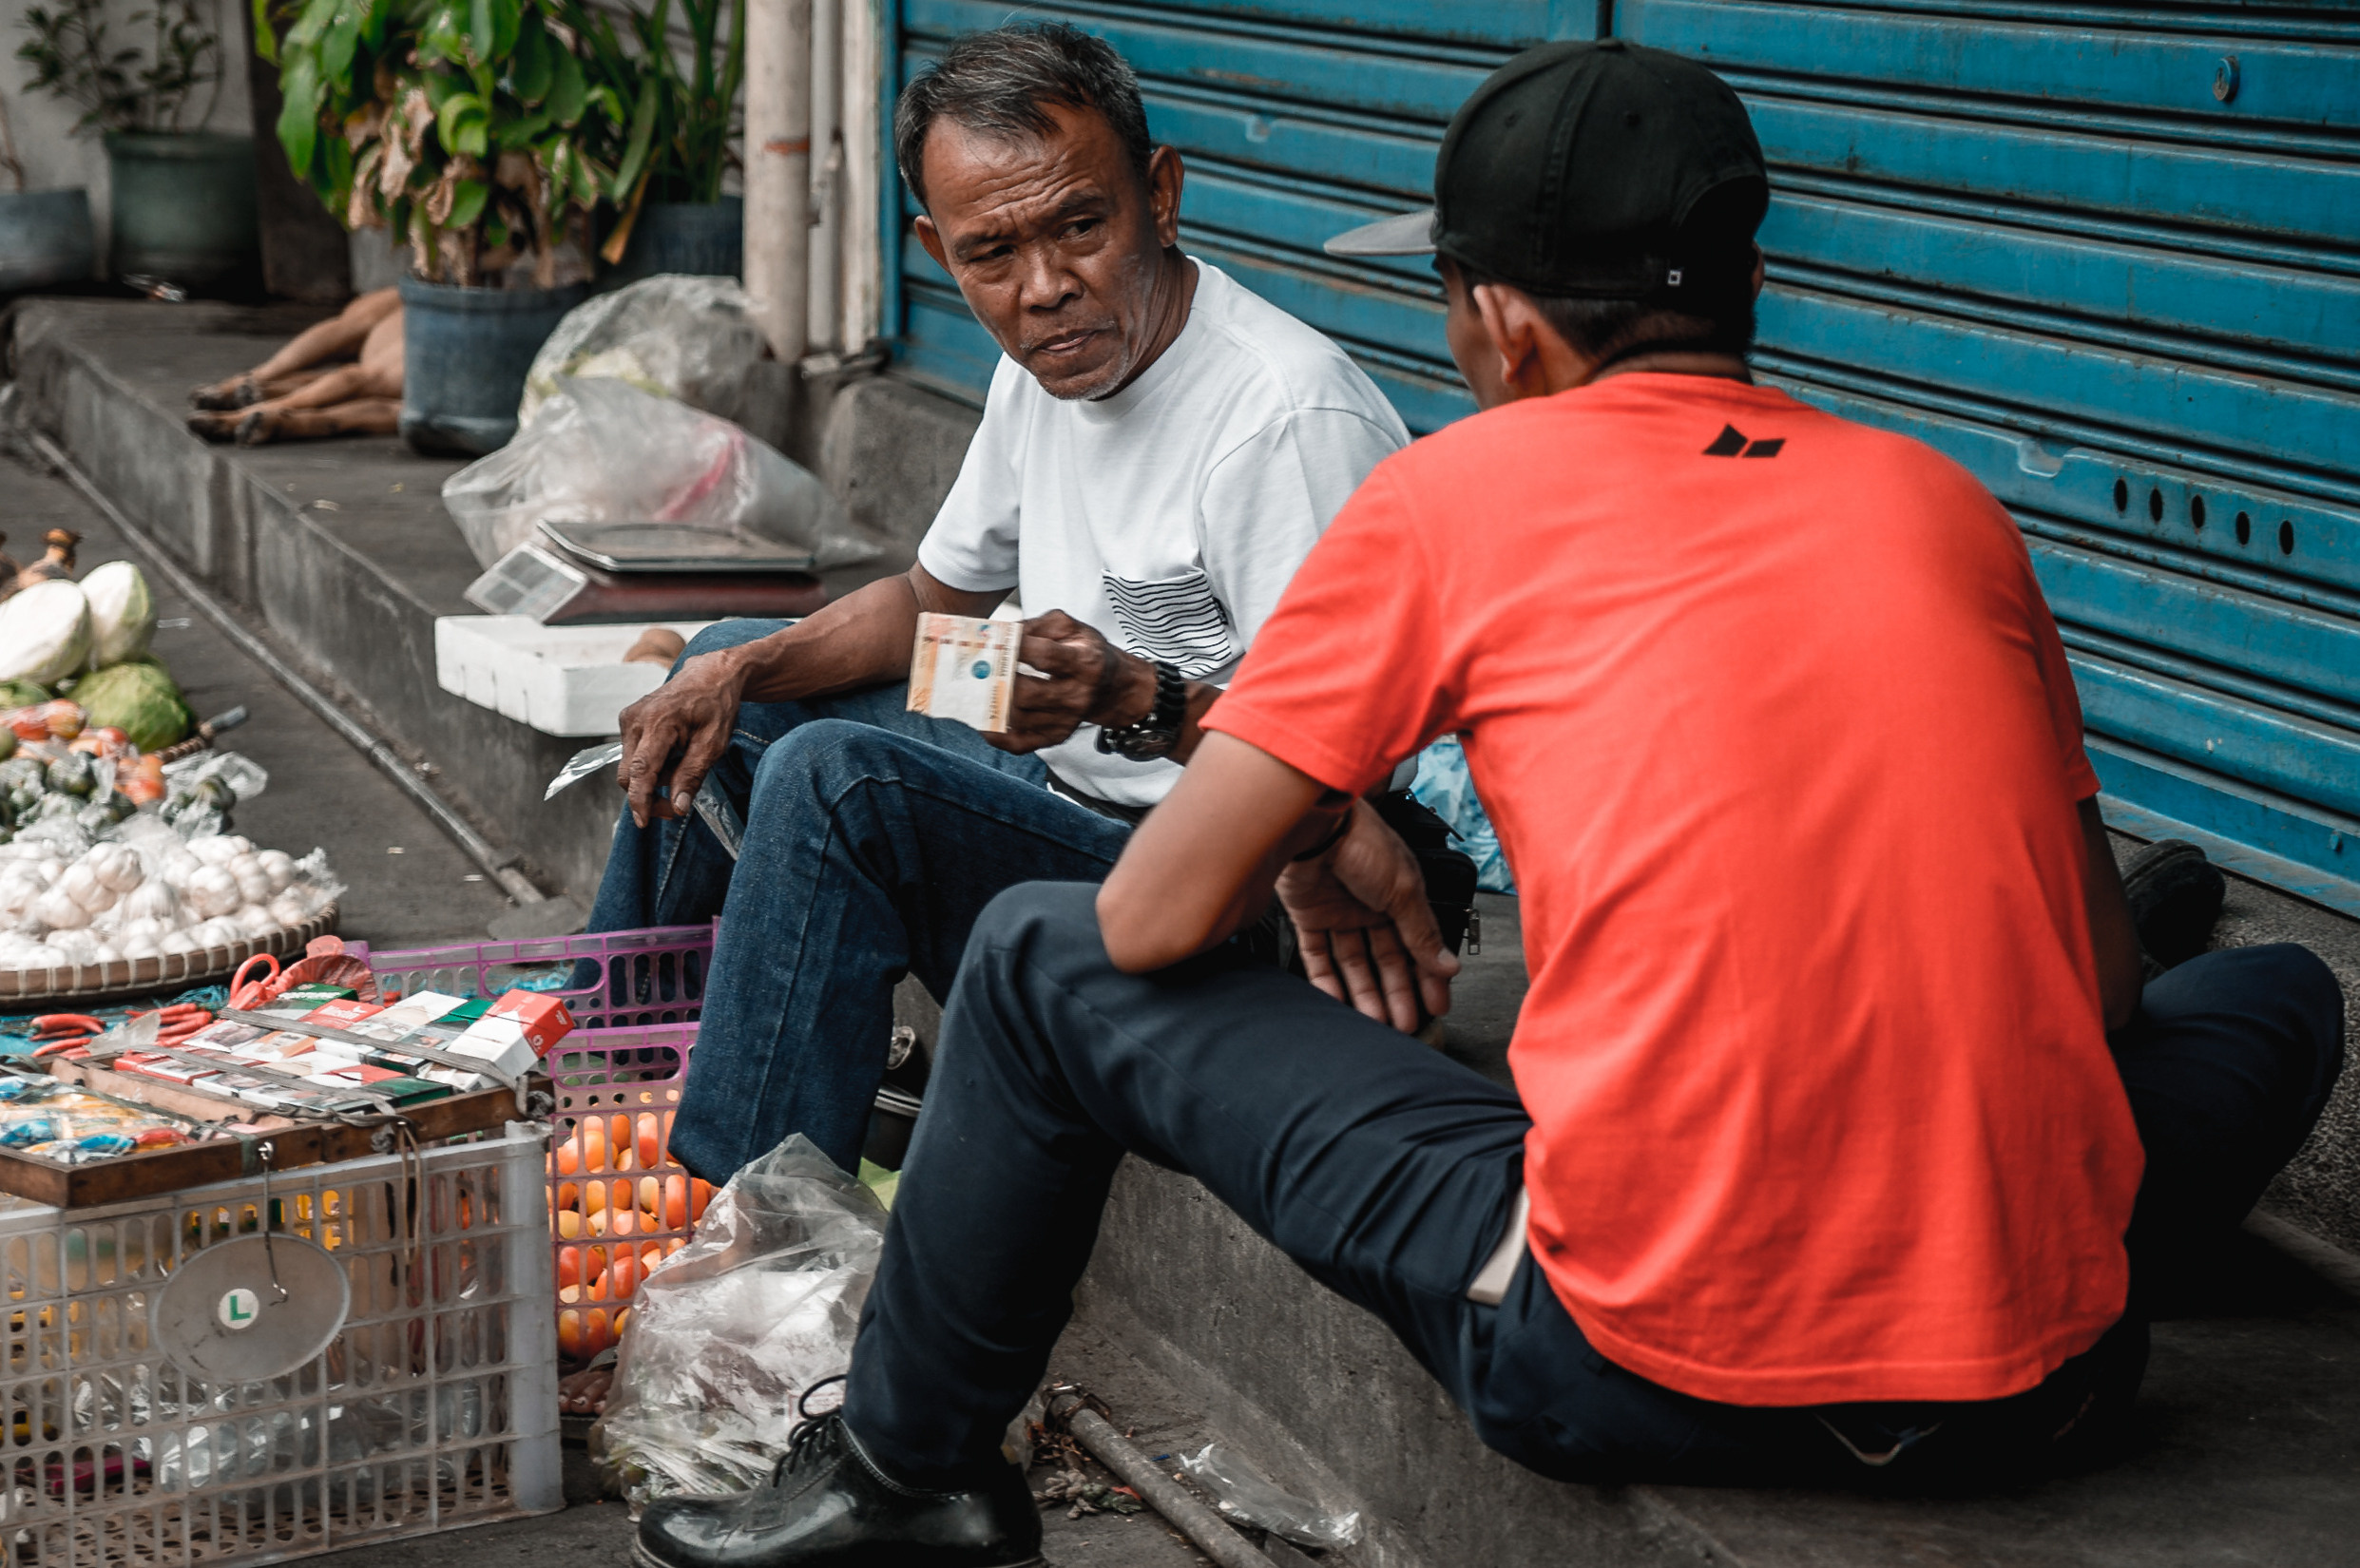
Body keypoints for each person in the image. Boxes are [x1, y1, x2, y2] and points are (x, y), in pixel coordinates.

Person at [630, 39, 2346, 1567]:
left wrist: (1282, 809)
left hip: (1622, 1359)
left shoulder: (1451, 489)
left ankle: (907, 1466)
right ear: (1749, 275)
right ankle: (1988, 1258)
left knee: (1030, 953)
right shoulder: (1946, 507)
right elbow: (2108, 999)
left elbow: (1149, 920)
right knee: (2277, 991)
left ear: (1498, 321)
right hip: (2056, 1378)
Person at [568, 21, 1408, 1412]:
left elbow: (1343, 782)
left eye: (1082, 227)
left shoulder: (1282, 418)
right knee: (735, 676)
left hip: (1220, 905)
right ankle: (598, 1126)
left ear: (1165, 192)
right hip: (1063, 820)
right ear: (938, 244)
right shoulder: (1045, 364)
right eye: (989, 257)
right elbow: (931, 605)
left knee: (844, 780)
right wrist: (738, 668)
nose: (1044, 289)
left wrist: (1134, 700)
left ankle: (738, 1269)